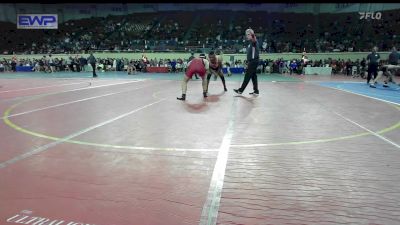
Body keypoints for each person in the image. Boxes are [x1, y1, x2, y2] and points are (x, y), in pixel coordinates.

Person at [234, 28, 260, 96]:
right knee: (254, 76)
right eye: (246, 35)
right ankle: (256, 91)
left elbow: (254, 39)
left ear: (252, 35)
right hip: (252, 61)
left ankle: (240, 90)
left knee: (247, 76)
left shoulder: (254, 42)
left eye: (248, 34)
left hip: (253, 61)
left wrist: (252, 33)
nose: (247, 36)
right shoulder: (250, 43)